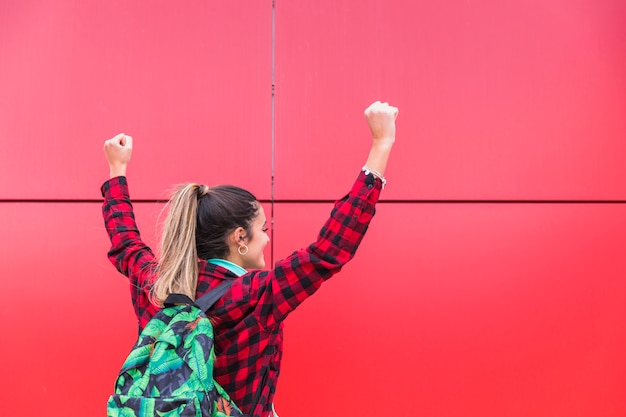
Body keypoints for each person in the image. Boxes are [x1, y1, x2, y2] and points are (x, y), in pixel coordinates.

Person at [102, 100, 398, 417]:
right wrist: (381, 145)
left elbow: (125, 244)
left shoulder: (157, 286)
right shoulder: (254, 295)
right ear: (240, 238)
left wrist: (117, 170)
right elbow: (327, 252)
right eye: (263, 229)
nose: (268, 238)